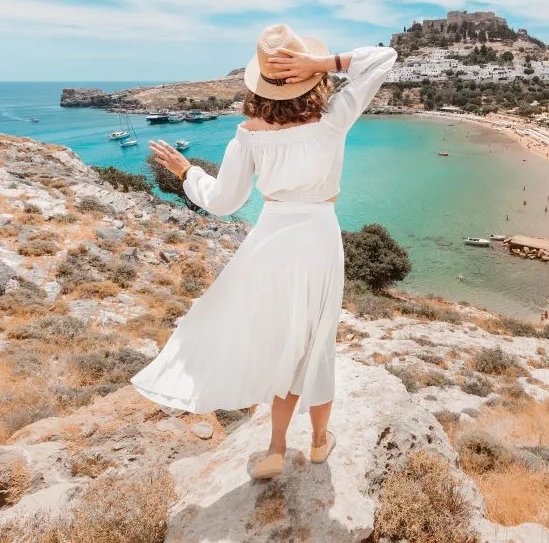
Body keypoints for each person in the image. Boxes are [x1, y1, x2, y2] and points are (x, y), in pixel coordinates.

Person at [131, 24, 397, 481]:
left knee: (283, 343)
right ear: (306, 76)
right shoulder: (334, 120)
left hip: (271, 240)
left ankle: (275, 449)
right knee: (317, 342)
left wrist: (187, 171)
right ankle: (318, 442)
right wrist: (324, 63)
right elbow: (383, 58)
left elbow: (222, 202)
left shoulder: (249, 135)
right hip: (318, 237)